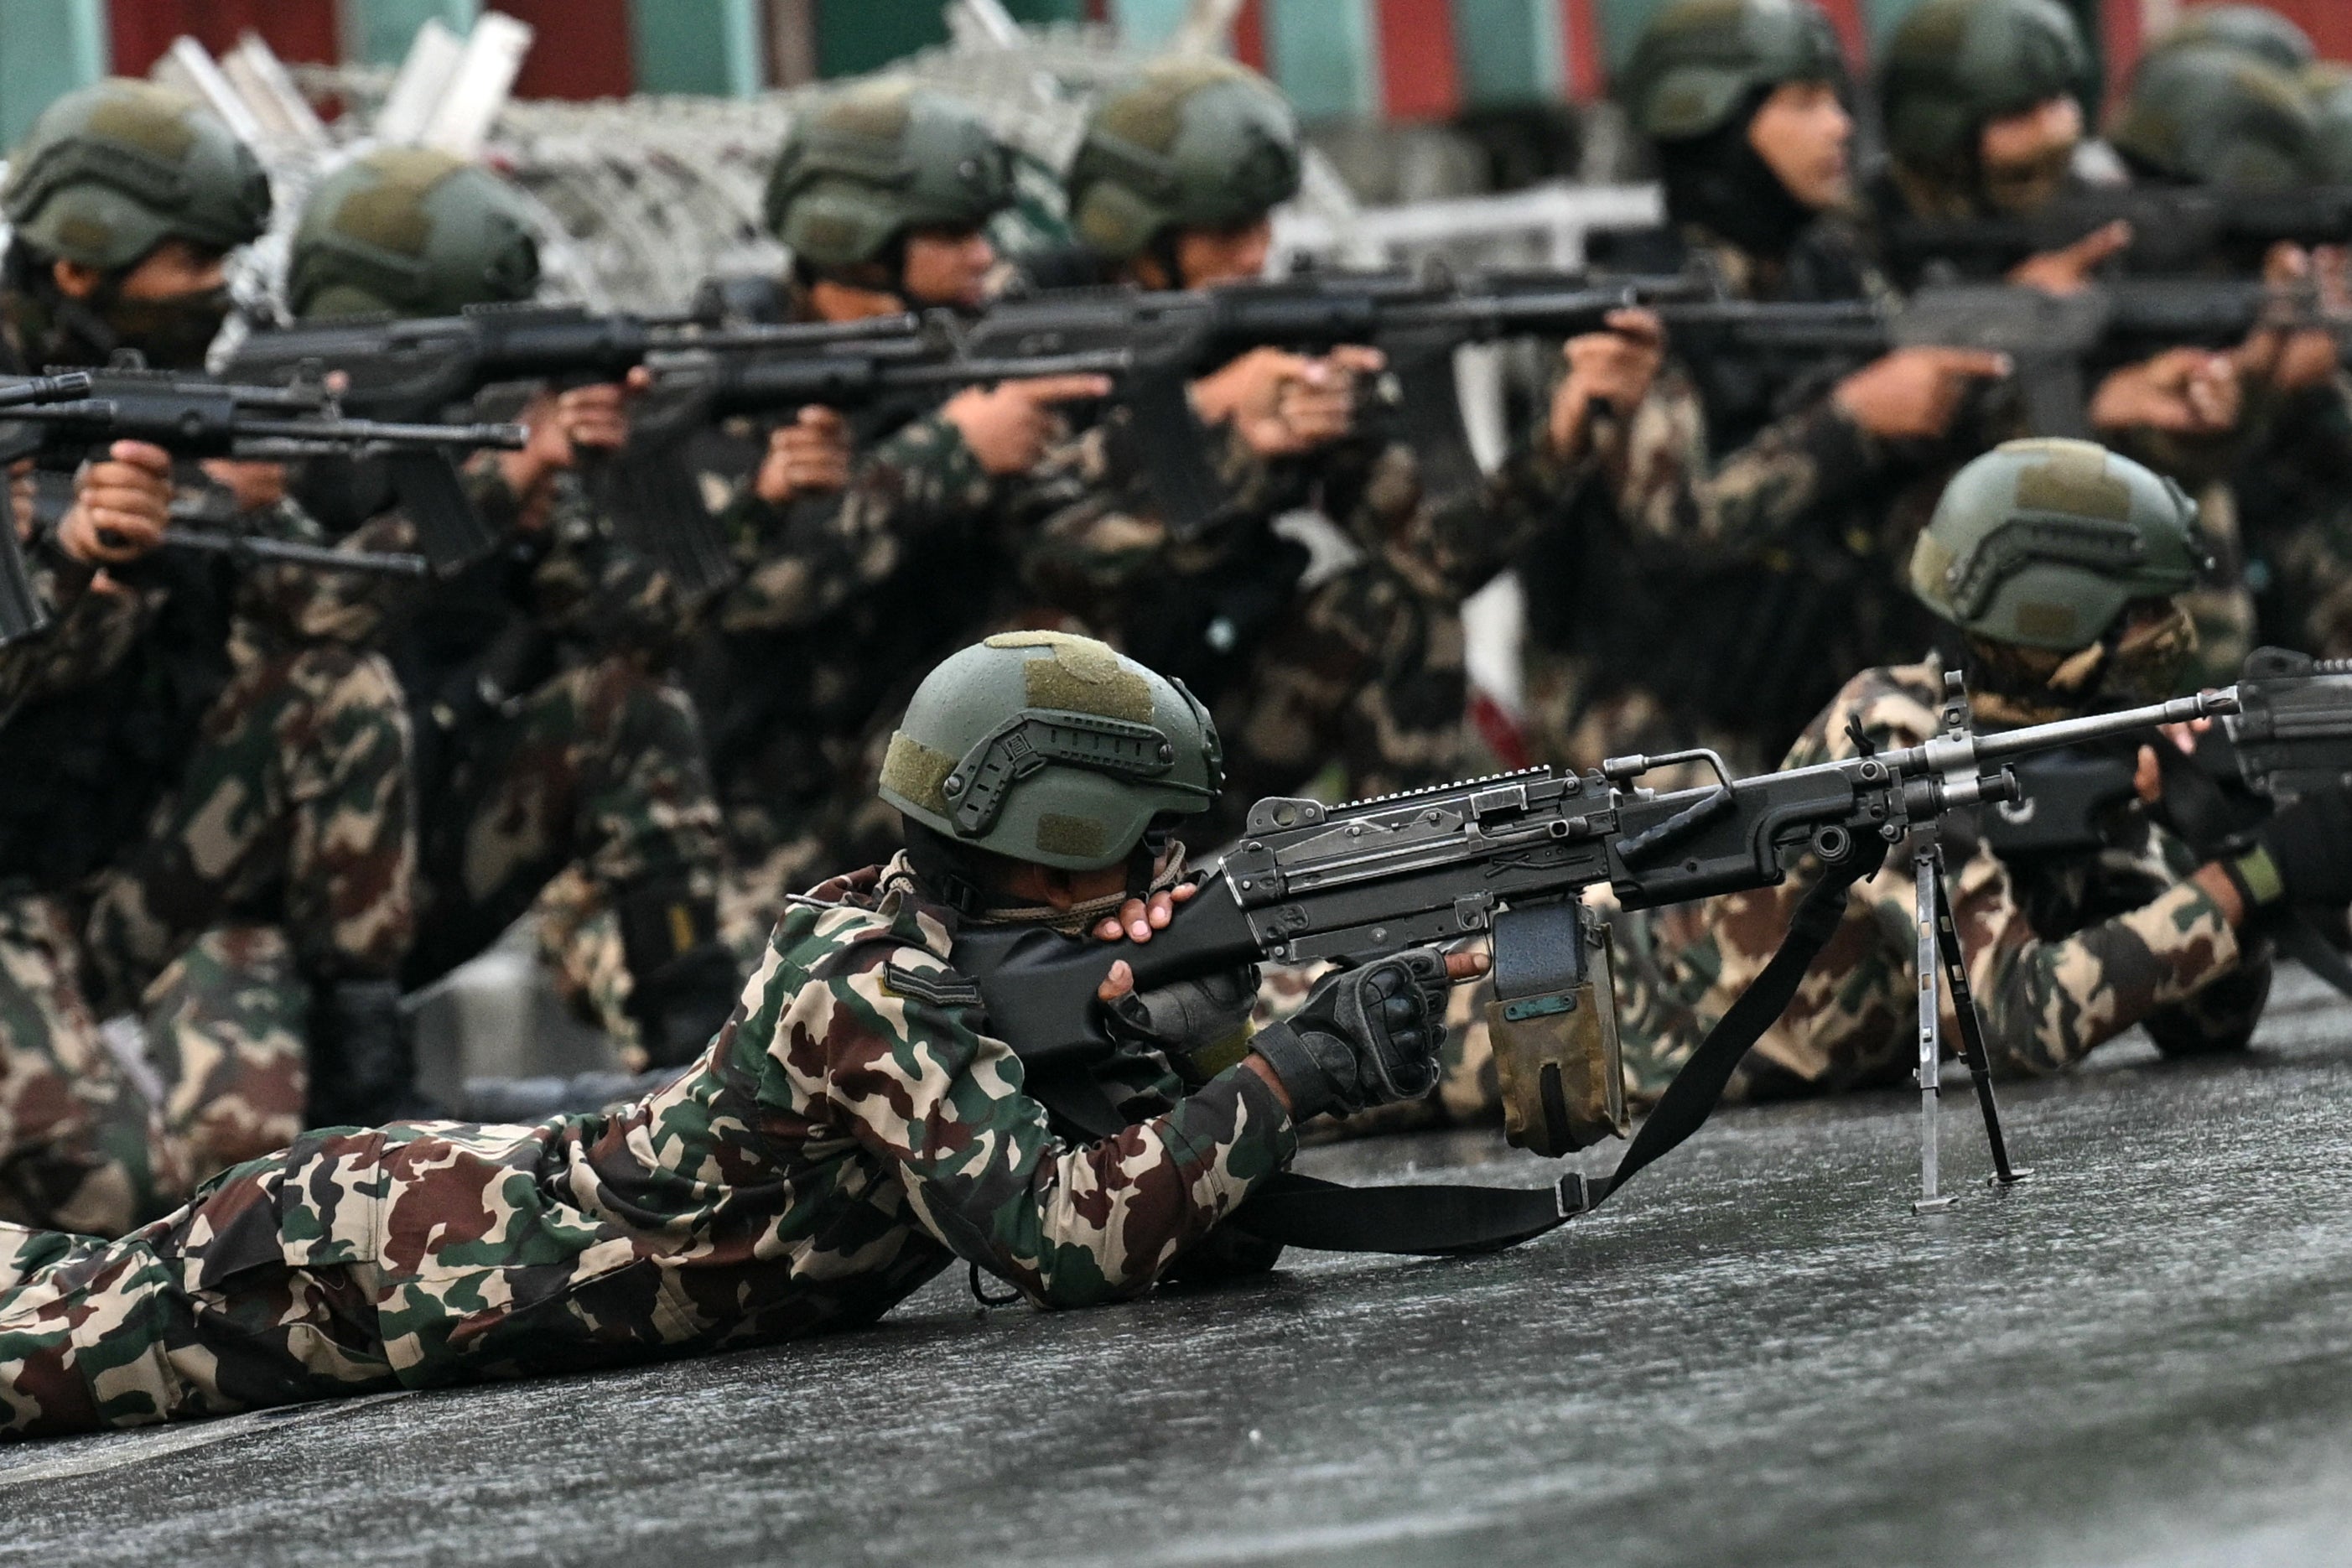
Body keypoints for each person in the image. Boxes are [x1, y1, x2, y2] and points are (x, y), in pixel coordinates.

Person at [0, 631, 1478, 1437]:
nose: (1166, 883)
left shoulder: (1000, 972)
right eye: (1139, 851)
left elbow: (1193, 1241)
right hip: (373, 1265)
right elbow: (1063, 1242)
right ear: (1048, 835)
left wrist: (1208, 1057)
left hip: (439, 1236)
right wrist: (1300, 1071)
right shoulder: (865, 976)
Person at [1612, 439, 2352, 1102]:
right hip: (1606, 1028)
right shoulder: (1888, 736)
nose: (2173, 630)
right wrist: (2258, 875)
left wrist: (2230, 836)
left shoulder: (2083, 744)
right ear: (2054, 611)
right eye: (2143, 608)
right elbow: (2006, 1021)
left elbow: (2205, 1024)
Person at [0, 80, 418, 1228]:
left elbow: (333, 618)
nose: (216, 292)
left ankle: (370, 1089)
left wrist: (227, 514)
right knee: (110, 1196)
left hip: (123, 872)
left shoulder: (160, 387)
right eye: (190, 262)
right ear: (84, 264)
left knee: (242, 1201)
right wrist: (76, 561)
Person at [281, 147, 737, 1071]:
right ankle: (361, 1092)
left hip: (430, 856)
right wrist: (505, 478)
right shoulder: (271, 440)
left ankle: (705, 1071)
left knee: (628, 708)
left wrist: (558, 494)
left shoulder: (480, 454)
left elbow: (657, 627)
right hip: (266, 904)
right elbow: (318, 611)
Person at [1515, 0, 2003, 780]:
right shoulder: (1636, 304)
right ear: (1714, 123)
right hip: (1651, 736)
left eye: (1837, 101)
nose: (1840, 127)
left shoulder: (1829, 272)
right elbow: (1674, 525)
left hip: (1805, 701)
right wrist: (1852, 421)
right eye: (1804, 103)